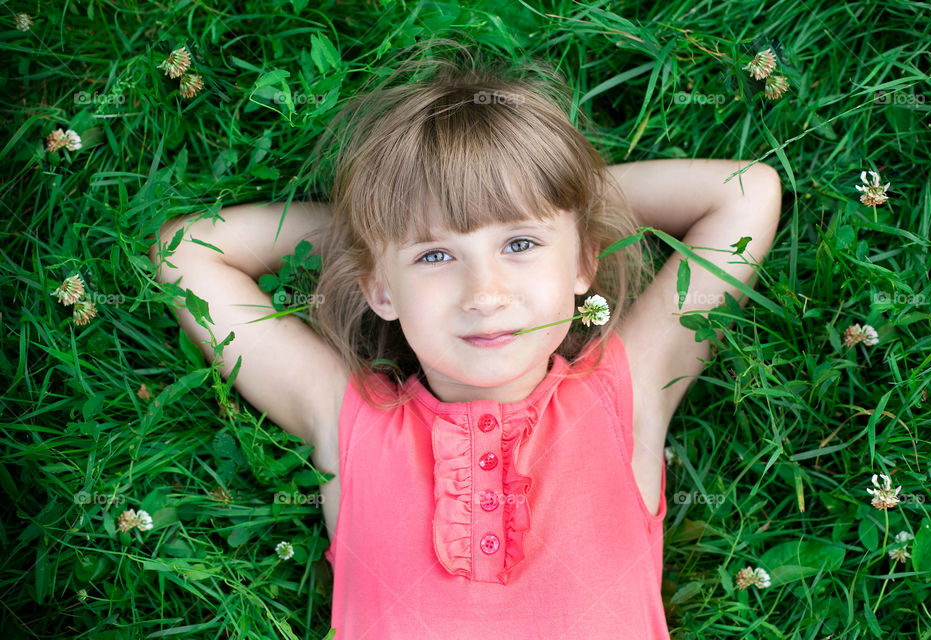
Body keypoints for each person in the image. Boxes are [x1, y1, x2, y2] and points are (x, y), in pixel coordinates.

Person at [149, 38, 781, 639]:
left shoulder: (627, 393)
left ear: (583, 263)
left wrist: (556, 193)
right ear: (380, 290)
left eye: (521, 243)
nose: (485, 291)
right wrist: (377, 223)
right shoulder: (349, 420)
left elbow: (746, 193)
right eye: (434, 257)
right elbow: (187, 258)